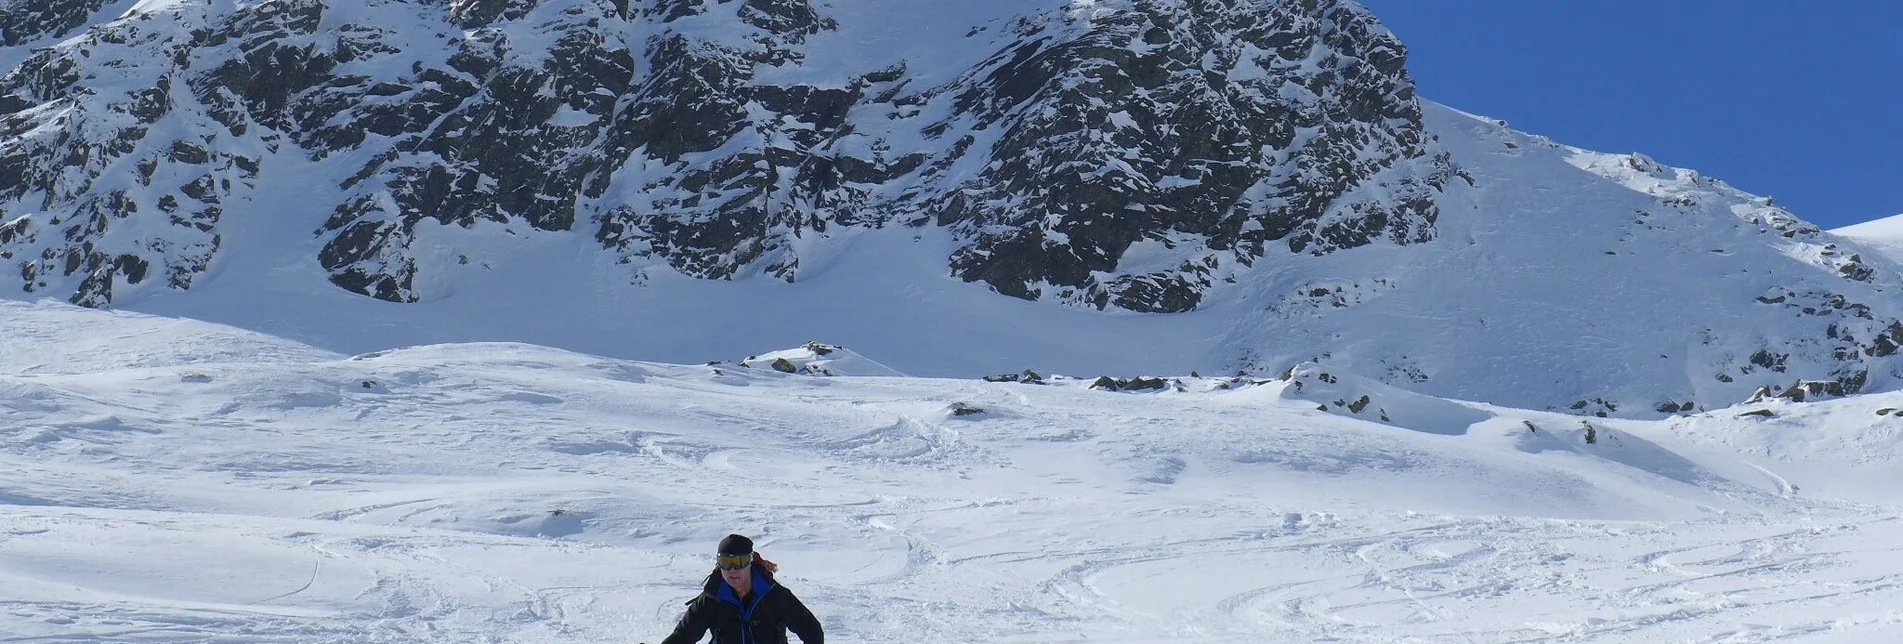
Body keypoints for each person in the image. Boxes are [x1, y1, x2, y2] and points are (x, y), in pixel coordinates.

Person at [659, 534, 824, 644]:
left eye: (739, 562)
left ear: (750, 562)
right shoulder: (710, 600)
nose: (732, 570)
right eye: (725, 562)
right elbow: (683, 637)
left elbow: (811, 630)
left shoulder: (775, 596)